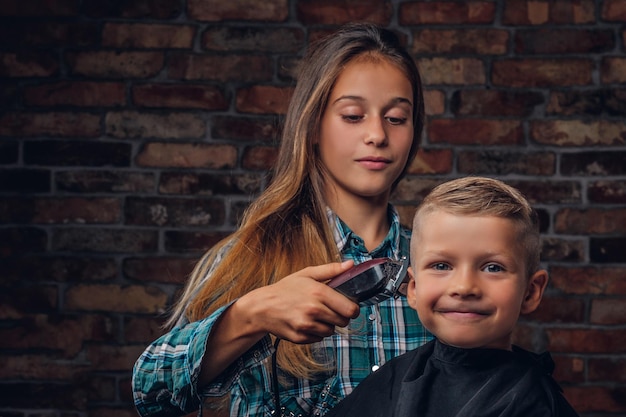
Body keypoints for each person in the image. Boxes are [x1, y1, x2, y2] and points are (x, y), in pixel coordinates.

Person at [132, 22, 432, 417]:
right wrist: (252, 314)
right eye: (353, 115)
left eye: (395, 118)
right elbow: (150, 394)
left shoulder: (438, 266)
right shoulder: (253, 255)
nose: (377, 134)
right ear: (312, 126)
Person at [325, 176, 580, 417]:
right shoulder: (391, 379)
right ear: (413, 289)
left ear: (531, 292)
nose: (464, 287)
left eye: (492, 268)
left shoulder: (533, 402)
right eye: (441, 266)